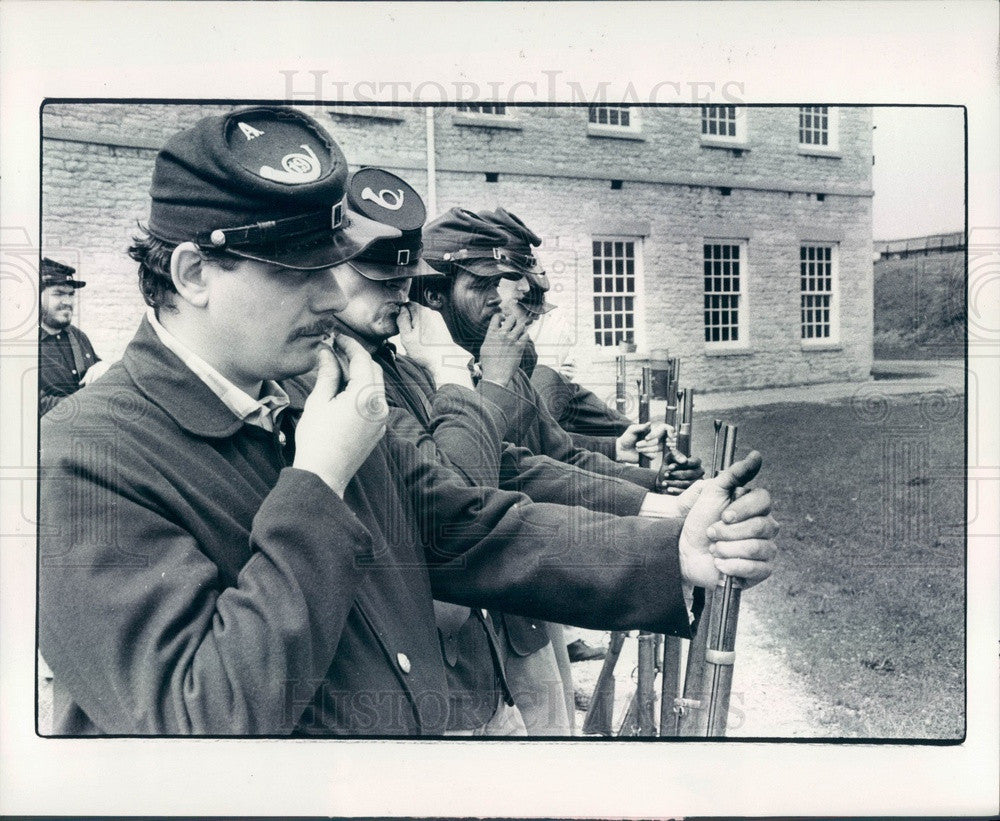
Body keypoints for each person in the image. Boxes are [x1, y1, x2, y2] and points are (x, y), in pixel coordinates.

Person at [39, 106, 779, 737]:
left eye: (335, 269)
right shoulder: (82, 459)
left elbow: (466, 526)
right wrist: (319, 481)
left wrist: (669, 549)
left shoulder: (312, 394)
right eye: (299, 273)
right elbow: (204, 713)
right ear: (194, 274)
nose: (333, 299)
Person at [38, 258, 109, 414]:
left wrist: (104, 367)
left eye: (71, 294)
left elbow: (95, 371)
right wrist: (90, 404)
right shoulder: (24, 345)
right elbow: (38, 405)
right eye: (58, 294)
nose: (67, 301)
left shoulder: (77, 336)